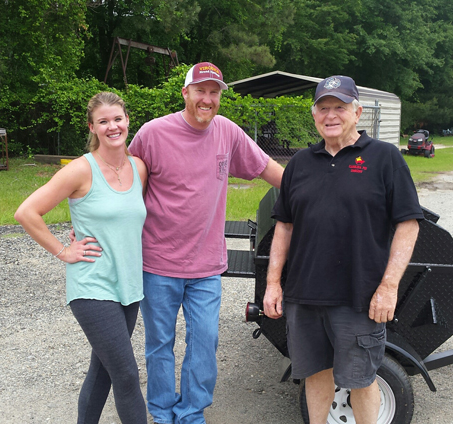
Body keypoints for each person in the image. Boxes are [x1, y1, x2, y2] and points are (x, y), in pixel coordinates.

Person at [127, 62, 284, 424]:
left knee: (204, 343)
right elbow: (122, 182)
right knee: (159, 345)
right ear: (185, 93)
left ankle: (191, 412)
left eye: (214, 92)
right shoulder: (152, 133)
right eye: (201, 90)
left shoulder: (227, 132)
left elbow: (266, 168)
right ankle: (163, 412)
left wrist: (314, 190)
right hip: (158, 263)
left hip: (206, 266)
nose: (208, 99)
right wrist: (89, 222)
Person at [263, 76, 423, 424]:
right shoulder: (300, 164)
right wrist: (274, 283)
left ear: (357, 112)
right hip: (304, 297)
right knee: (316, 375)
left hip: (359, 297)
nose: (331, 115)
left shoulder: (385, 158)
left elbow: (408, 224)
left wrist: (388, 286)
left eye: (340, 107)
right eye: (324, 108)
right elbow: (284, 226)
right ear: (314, 114)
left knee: (361, 381)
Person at [14, 92, 148, 424]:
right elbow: (27, 212)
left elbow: (127, 220)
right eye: (103, 121)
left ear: (127, 121)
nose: (112, 127)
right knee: (128, 377)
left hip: (128, 288)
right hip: (91, 287)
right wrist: (64, 250)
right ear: (92, 127)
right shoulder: (80, 170)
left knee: (102, 371)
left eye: (117, 119)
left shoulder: (139, 168)